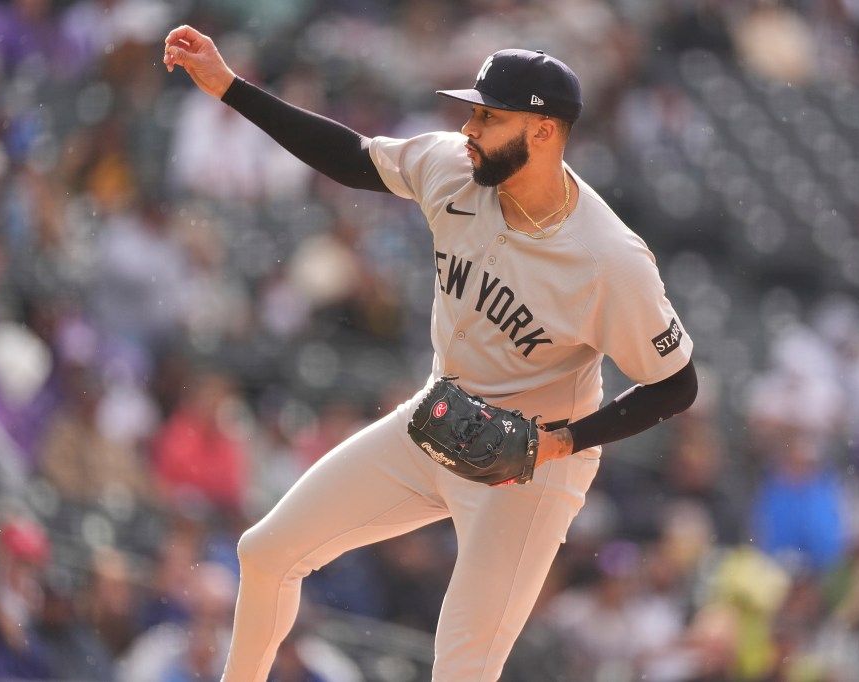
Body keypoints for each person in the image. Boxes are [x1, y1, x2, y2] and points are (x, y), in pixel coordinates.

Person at [162, 24, 698, 682]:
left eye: (488, 116)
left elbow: (677, 385)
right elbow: (353, 157)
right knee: (267, 550)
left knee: (461, 666)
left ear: (542, 132)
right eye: (472, 110)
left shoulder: (610, 260)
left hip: (529, 471)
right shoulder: (453, 167)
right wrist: (231, 89)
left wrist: (563, 443)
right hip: (440, 416)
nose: (469, 127)